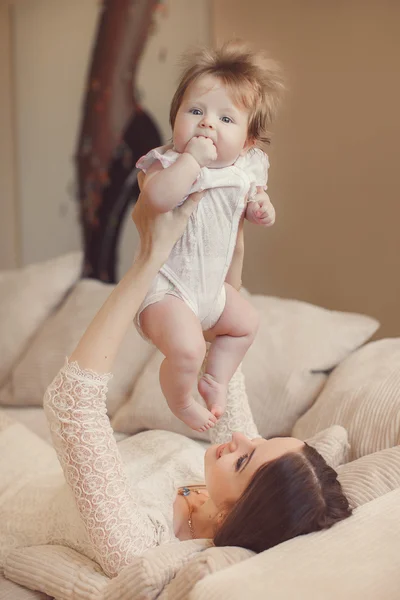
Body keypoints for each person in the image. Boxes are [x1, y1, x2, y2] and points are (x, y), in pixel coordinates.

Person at [38, 179, 352, 580]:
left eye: (246, 459)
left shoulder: (140, 542)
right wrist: (233, 230)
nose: (241, 438)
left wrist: (148, 260)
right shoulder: (225, 479)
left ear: (234, 515)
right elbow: (218, 345)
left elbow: (71, 403)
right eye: (263, 440)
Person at [134, 41, 284, 432]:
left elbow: (253, 204)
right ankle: (182, 400)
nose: (207, 124)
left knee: (246, 322)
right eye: (196, 111)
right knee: (188, 348)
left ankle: (215, 378)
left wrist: (261, 208)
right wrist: (192, 160)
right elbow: (159, 199)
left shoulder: (244, 170)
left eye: (226, 119)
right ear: (176, 119)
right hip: (167, 290)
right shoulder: (167, 163)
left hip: (212, 292)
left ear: (249, 141)